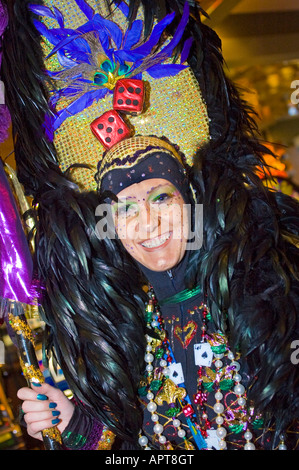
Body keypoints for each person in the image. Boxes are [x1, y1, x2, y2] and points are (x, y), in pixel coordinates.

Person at [2, 0, 299, 451]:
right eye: (123, 209)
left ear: (193, 199)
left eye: (161, 196)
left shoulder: (271, 291)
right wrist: (74, 422)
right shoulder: (122, 326)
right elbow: (128, 442)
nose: (147, 222)